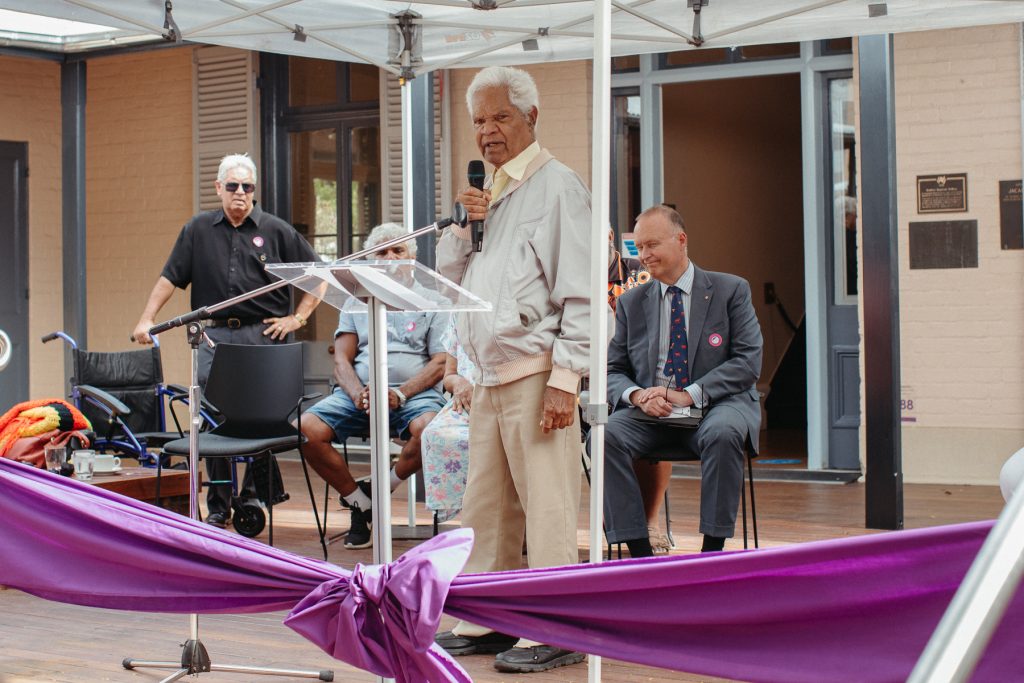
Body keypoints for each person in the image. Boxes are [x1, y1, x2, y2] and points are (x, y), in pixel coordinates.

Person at [433, 65, 590, 675]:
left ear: (531, 117)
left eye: (500, 116)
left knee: (547, 505)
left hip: (537, 371)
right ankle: (488, 617)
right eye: (479, 120)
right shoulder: (488, 194)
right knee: (487, 507)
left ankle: (559, 627)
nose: (488, 131)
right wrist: (461, 226)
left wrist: (566, 379)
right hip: (489, 375)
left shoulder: (559, 187)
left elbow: (579, 294)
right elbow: (453, 284)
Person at [132, 153, 321, 528]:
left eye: (246, 187)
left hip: (262, 334)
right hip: (212, 333)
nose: (239, 193)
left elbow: (317, 276)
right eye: (232, 185)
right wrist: (147, 318)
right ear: (218, 188)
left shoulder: (276, 229)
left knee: (262, 414)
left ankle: (250, 495)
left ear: (254, 191)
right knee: (212, 414)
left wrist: (297, 318)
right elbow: (170, 277)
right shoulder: (197, 229)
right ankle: (217, 502)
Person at [595, 204, 763, 557]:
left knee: (723, 433)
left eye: (652, 245)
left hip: (716, 406)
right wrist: (638, 395)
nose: (644, 255)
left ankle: (711, 553)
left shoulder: (730, 290)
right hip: (651, 415)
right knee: (605, 435)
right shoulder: (631, 303)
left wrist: (690, 394)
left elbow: (748, 362)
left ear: (681, 240)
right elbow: (612, 370)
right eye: (639, 247)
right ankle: (639, 552)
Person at [297, 223, 448, 549]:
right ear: (368, 261)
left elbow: (440, 363)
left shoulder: (433, 301)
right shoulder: (355, 302)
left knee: (433, 429)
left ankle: (378, 491)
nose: (391, 258)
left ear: (413, 258)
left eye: (398, 250)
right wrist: (358, 393)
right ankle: (360, 503)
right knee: (305, 428)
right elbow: (342, 359)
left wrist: (399, 393)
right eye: (382, 252)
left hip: (415, 395)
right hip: (360, 394)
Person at [608, 228, 672, 553]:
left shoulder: (639, 272)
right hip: (580, 375)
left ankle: (649, 520)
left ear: (607, 237)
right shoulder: (564, 275)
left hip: (633, 374)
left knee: (654, 405)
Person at [420, 319, 475, 523]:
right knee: (434, 434)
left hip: (497, 401)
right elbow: (449, 376)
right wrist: (459, 383)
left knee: (481, 442)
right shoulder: (458, 316)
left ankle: (500, 516)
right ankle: (458, 510)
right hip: (465, 402)